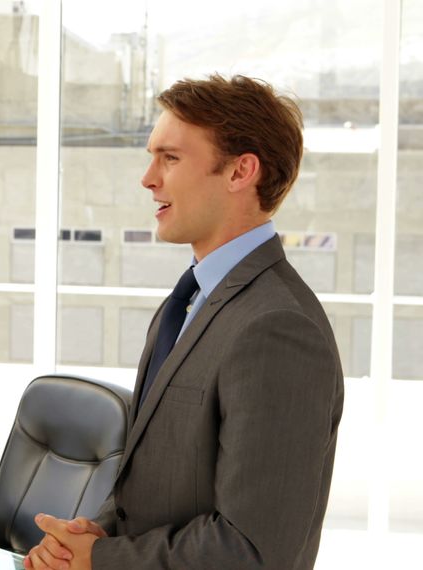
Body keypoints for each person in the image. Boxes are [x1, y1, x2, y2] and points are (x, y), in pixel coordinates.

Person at [24, 75, 344, 570]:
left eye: (170, 158)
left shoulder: (278, 328)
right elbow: (154, 490)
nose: (148, 178)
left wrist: (103, 558)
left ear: (241, 172)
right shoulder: (188, 303)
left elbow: (253, 550)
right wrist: (91, 535)